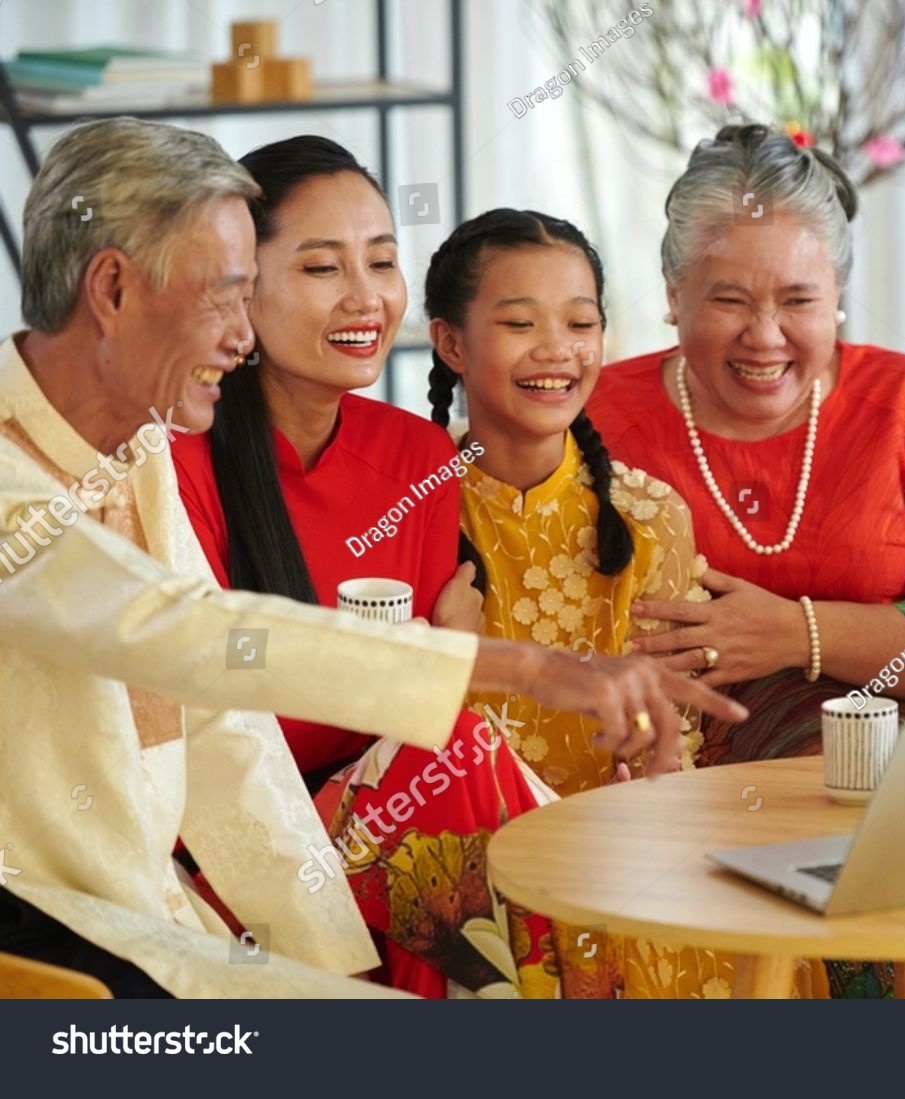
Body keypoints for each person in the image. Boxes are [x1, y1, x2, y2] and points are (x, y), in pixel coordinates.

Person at [0, 118, 746, 998]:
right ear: (114, 289)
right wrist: (528, 668)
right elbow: (189, 633)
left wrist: (332, 951)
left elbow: (220, 732)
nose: (240, 336)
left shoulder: (142, 448)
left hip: (153, 915)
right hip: (47, 926)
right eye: (226, 293)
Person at [588, 123, 905, 999]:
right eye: (729, 299)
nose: (765, 337)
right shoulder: (597, 416)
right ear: (672, 292)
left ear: (838, 294)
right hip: (689, 794)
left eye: (798, 300)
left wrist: (795, 633)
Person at [173, 137, 549, 998]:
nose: (366, 297)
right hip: (234, 867)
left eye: (381, 261)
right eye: (320, 267)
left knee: (451, 770)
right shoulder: (177, 460)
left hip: (393, 845)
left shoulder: (420, 457)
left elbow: (406, 723)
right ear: (239, 283)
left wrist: (431, 678)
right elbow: (222, 748)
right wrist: (428, 669)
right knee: (452, 755)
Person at [426, 207, 733, 998]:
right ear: (451, 342)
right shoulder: (411, 510)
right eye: (520, 322)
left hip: (617, 847)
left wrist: (652, 770)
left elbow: (676, 743)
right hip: (462, 858)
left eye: (580, 321)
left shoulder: (650, 513)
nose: (557, 349)